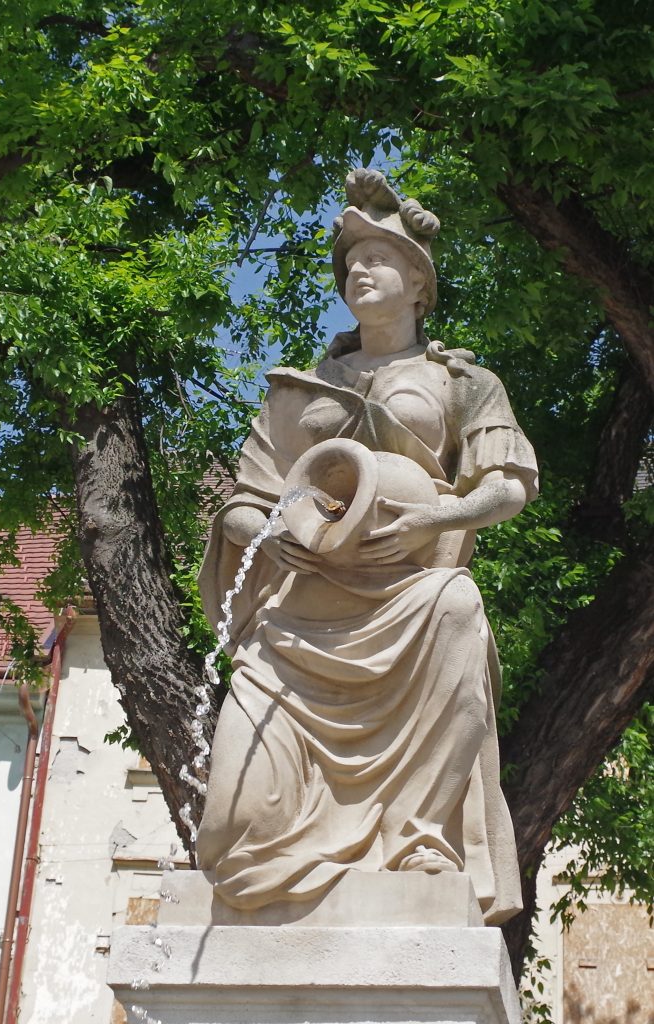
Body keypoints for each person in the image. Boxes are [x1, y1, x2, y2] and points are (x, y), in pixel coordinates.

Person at [197, 169, 538, 925]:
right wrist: (273, 533)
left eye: (378, 258)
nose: (359, 271)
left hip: (411, 600)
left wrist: (435, 521)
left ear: (419, 284)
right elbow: (242, 506)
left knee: (458, 604)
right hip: (302, 617)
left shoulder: (464, 382)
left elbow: (508, 486)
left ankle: (419, 838)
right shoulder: (299, 389)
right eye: (351, 262)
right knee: (229, 828)